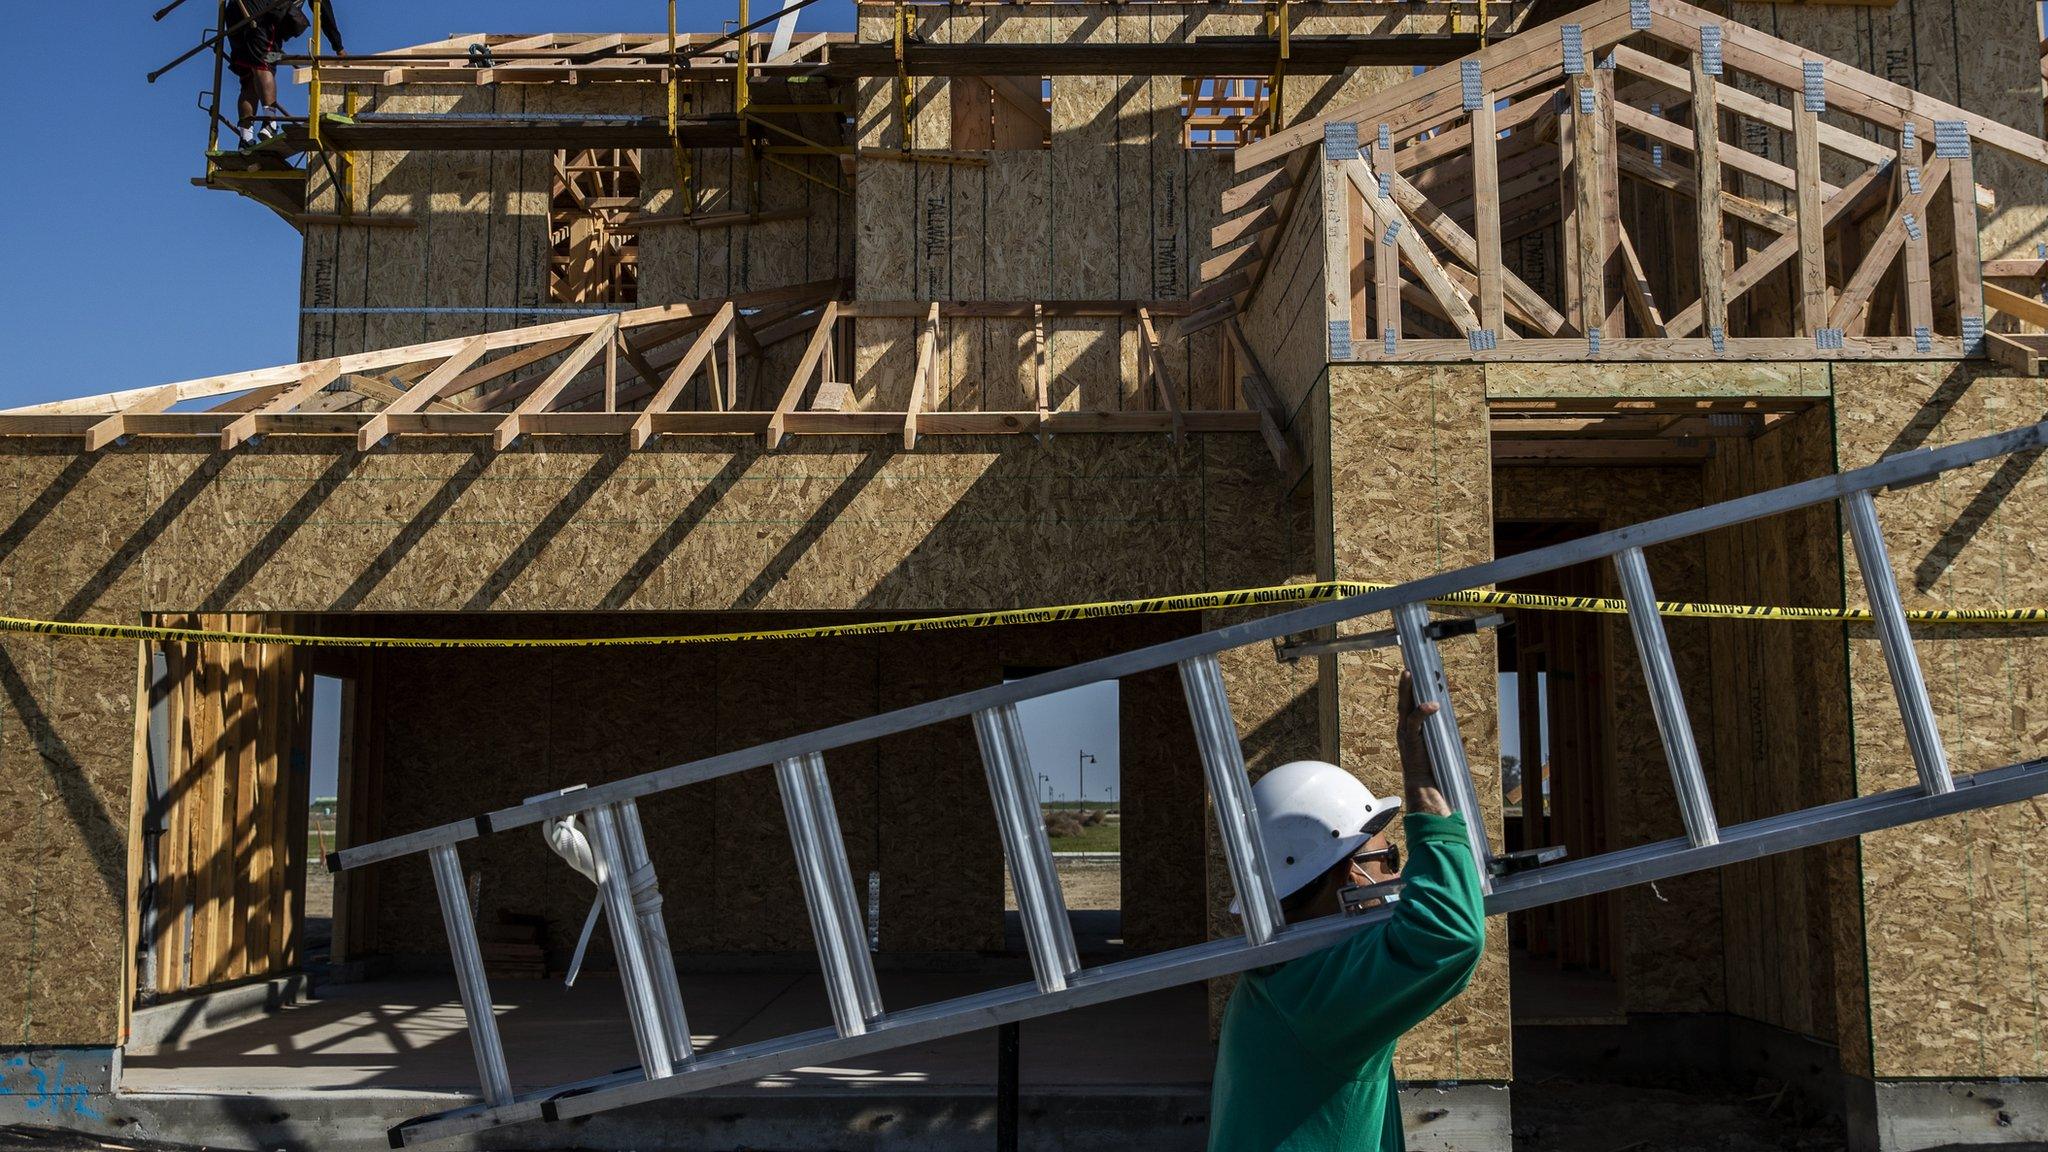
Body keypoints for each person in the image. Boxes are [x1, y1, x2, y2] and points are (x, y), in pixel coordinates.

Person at [1208, 671, 1487, 1152]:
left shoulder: (1283, 975)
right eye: (1389, 859)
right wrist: (1425, 792)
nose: (1396, 878)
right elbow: (1449, 935)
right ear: (1352, 874)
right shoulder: (1315, 997)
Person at [225, 0, 346, 149]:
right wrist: (338, 48)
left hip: (235, 15)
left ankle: (245, 137)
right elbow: (323, 9)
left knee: (249, 77)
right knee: (264, 65)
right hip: (262, 14)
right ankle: (270, 122)